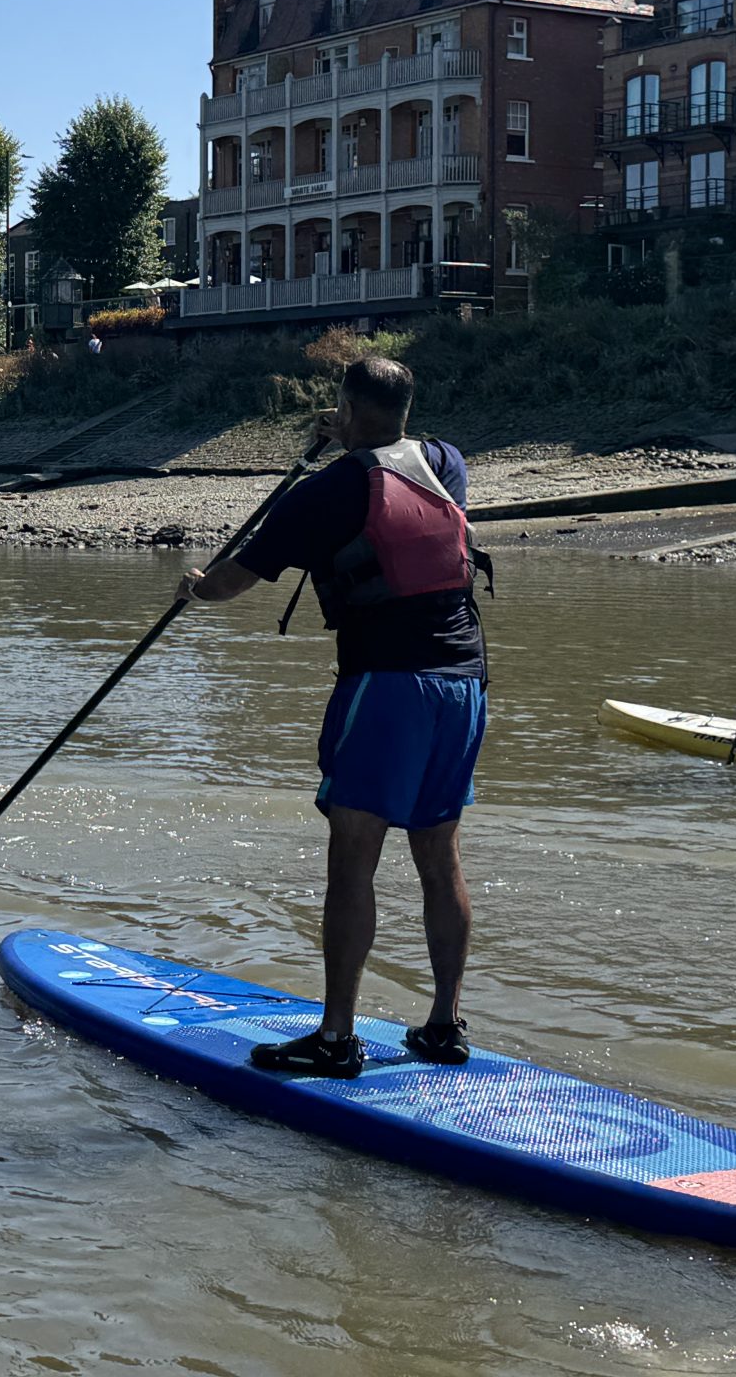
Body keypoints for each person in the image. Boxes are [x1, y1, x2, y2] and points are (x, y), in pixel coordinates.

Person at [174, 355, 490, 1079]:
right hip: (465, 684)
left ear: (345, 412)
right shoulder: (447, 461)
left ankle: (335, 1039)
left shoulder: (327, 492)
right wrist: (351, 429)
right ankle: (443, 1026)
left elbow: (233, 581)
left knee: (353, 858)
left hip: (388, 686)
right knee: (439, 861)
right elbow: (392, 448)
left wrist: (196, 587)